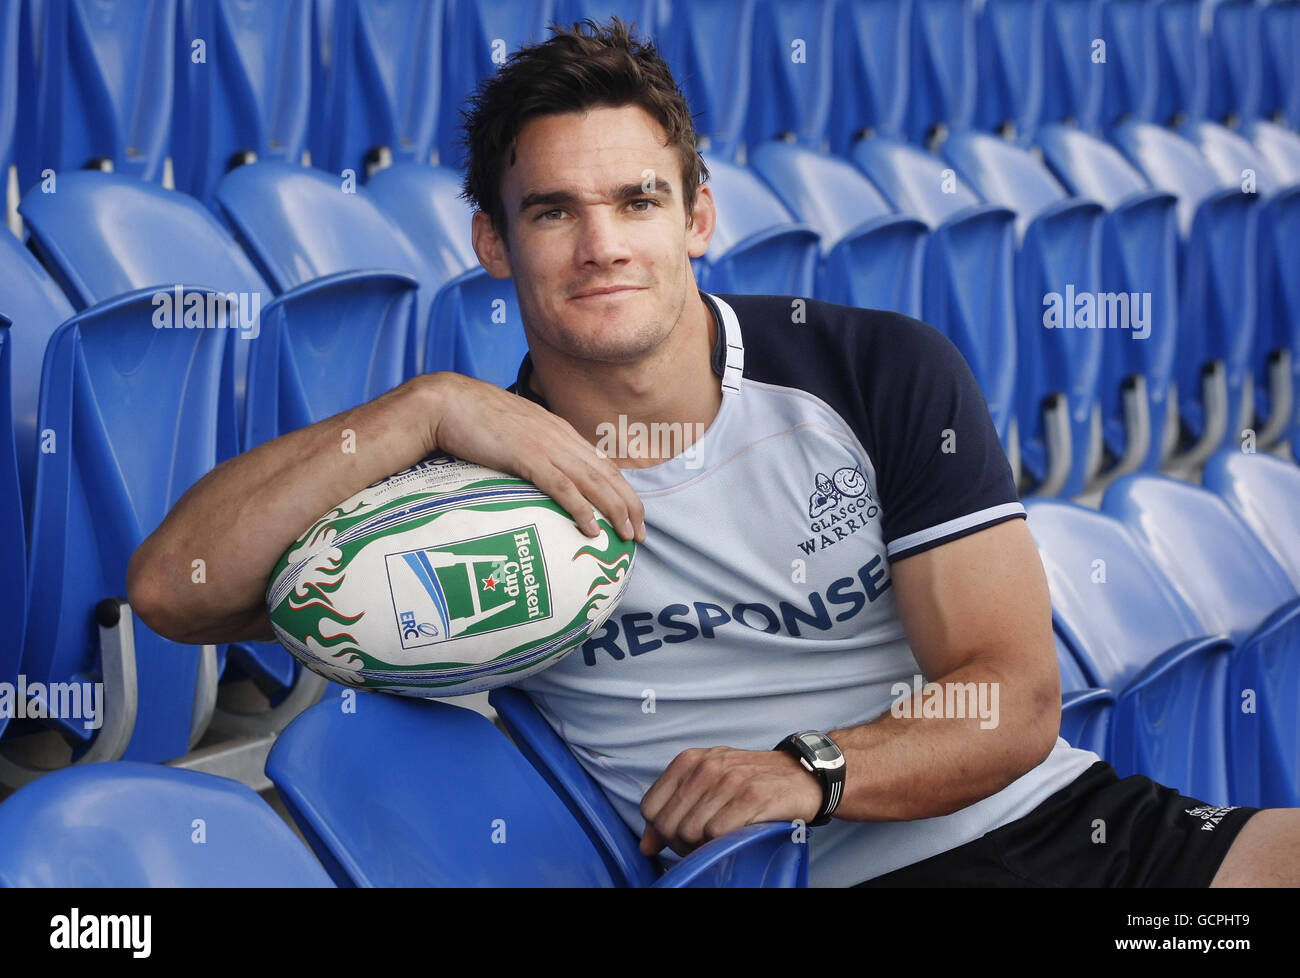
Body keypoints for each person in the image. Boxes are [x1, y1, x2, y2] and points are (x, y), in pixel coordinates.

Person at [128, 17, 1299, 887]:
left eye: (636, 202)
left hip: (1063, 833)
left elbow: (1009, 697)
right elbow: (170, 591)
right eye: (551, 213)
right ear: (491, 240)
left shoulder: (874, 370)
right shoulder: (463, 493)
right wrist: (416, 409)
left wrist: (813, 767)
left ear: (697, 215)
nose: (601, 245)